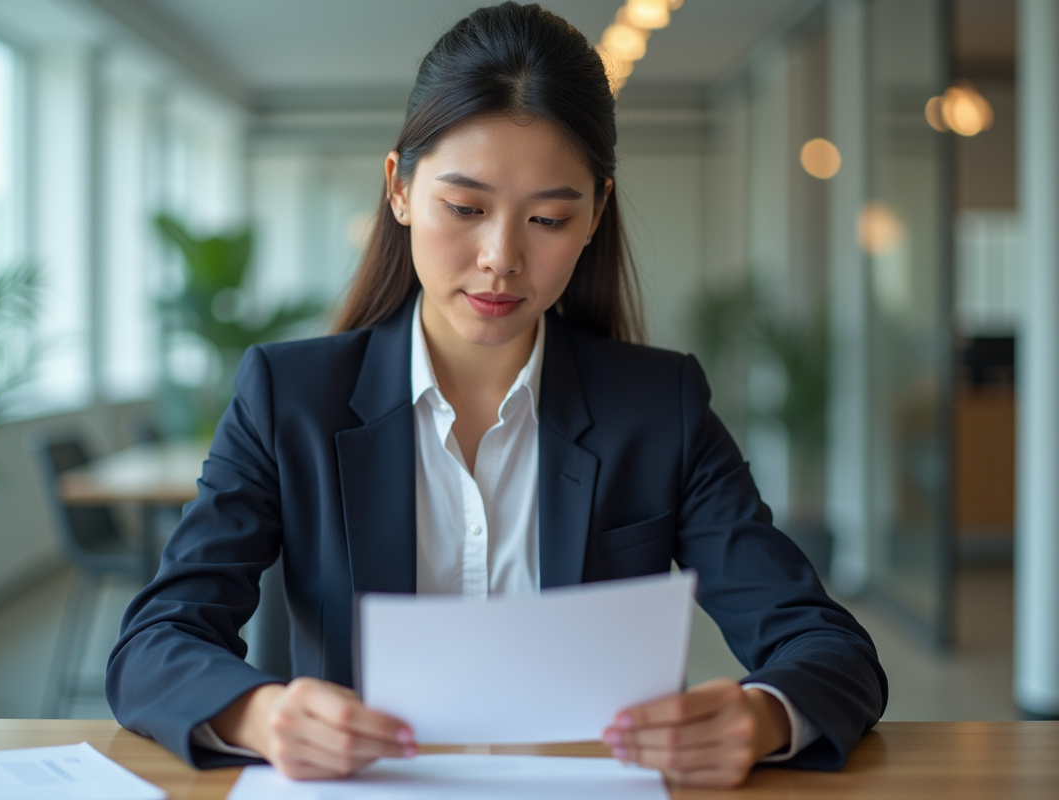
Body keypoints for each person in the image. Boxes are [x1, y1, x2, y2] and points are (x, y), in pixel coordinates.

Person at [106, 2, 887, 789]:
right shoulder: (290, 397)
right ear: (399, 189)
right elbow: (155, 642)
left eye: (547, 217)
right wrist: (262, 717)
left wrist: (758, 717)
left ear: (594, 218)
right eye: (465, 208)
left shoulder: (660, 407)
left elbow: (829, 648)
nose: (500, 258)